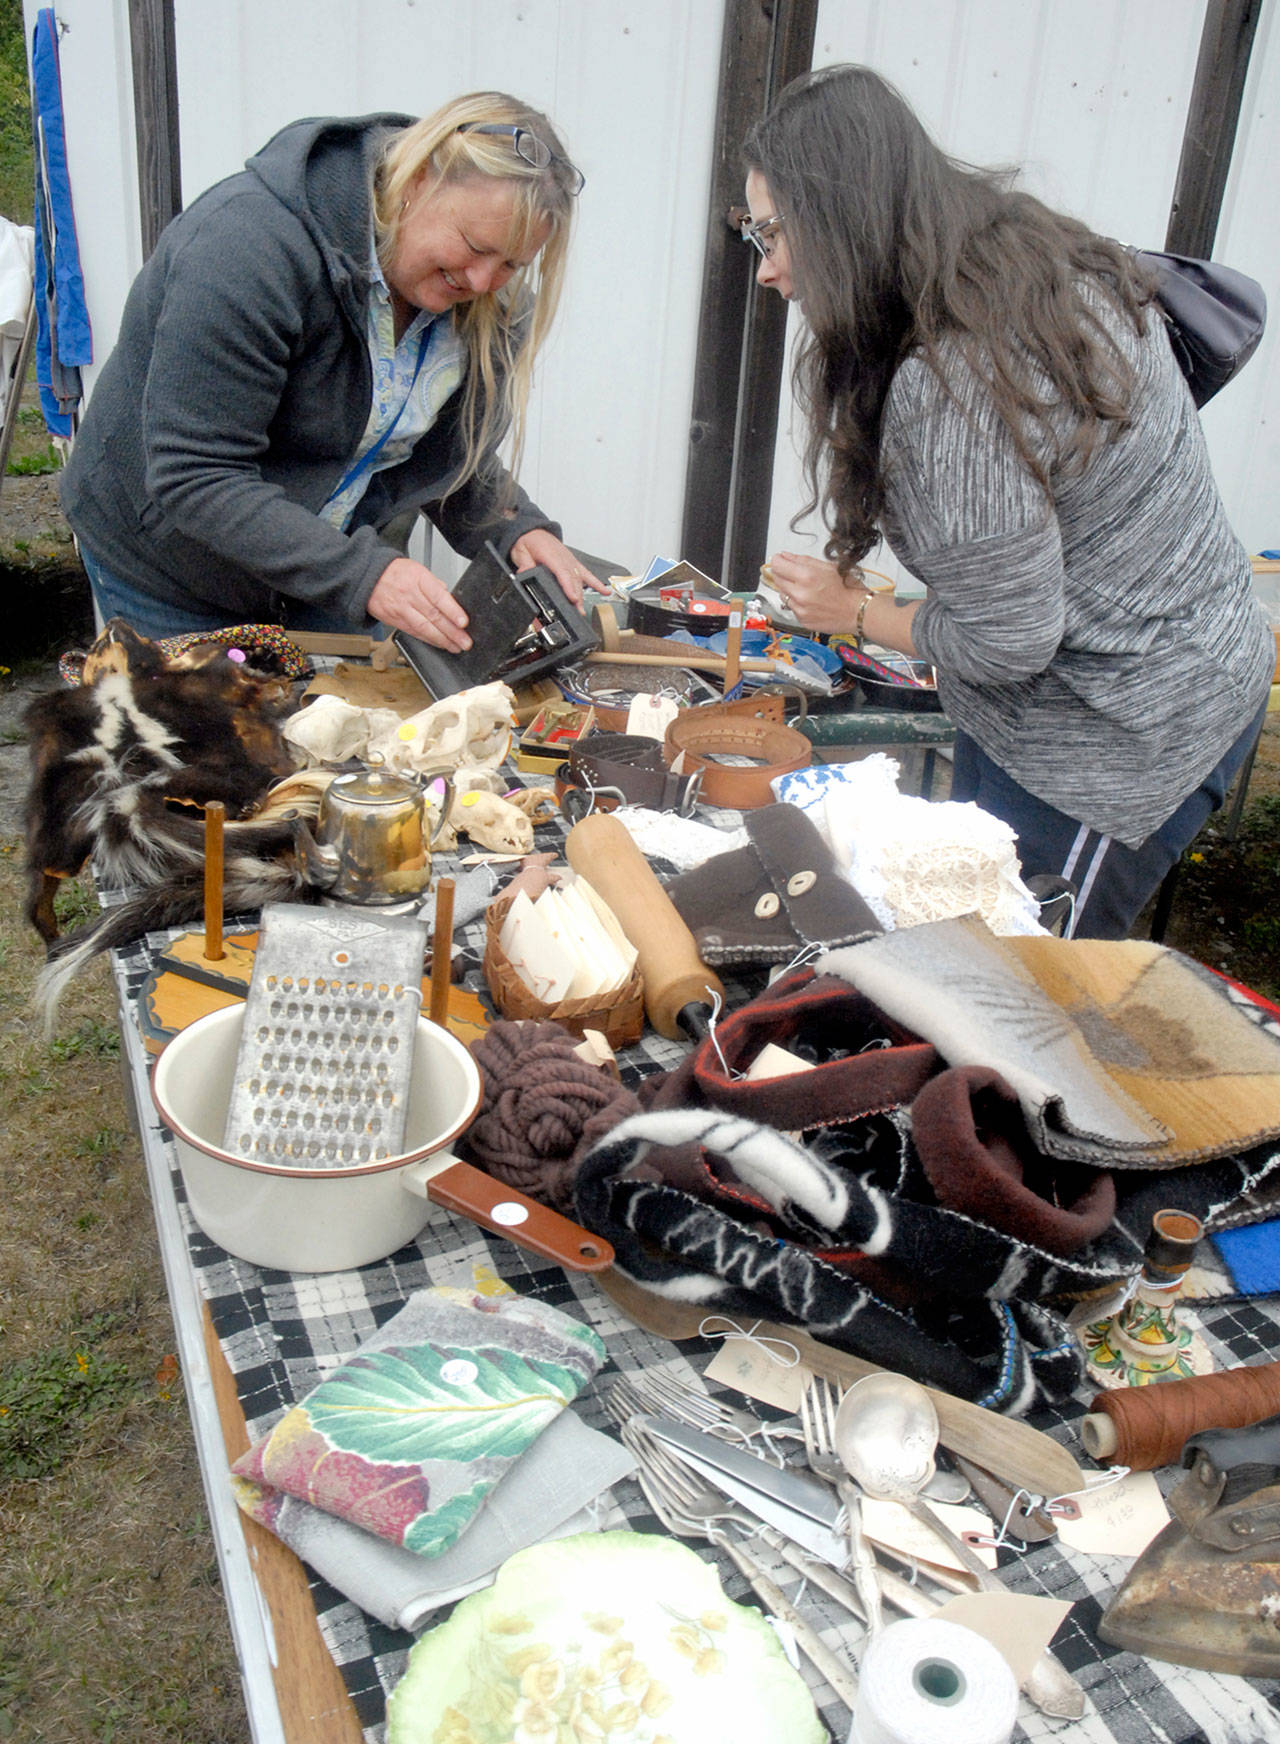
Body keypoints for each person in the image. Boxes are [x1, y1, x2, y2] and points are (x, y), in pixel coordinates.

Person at [744, 65, 1274, 939]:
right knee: (961, 933)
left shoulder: (957, 379)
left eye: (773, 233)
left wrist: (859, 613)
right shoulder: (1037, 260)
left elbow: (1008, 639)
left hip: (1126, 734)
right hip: (1073, 700)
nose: (765, 269)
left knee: (1020, 986)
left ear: (843, 219)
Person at [60, 91, 606, 651]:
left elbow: (436, 454)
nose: (484, 281)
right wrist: (364, 574)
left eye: (511, 263)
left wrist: (516, 527)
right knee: (199, 736)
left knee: (333, 729)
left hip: (320, 566)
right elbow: (195, 472)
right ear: (415, 181)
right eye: (473, 245)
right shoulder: (248, 248)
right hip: (170, 562)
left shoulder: (487, 301)